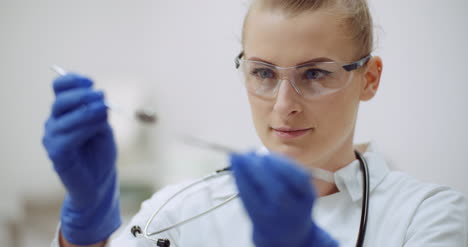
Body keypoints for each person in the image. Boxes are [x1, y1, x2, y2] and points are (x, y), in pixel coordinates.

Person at [42, 0, 468, 246]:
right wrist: (86, 220)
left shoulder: (427, 217)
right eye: (263, 73)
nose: (285, 105)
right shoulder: (180, 211)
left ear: (368, 78)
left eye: (315, 74)